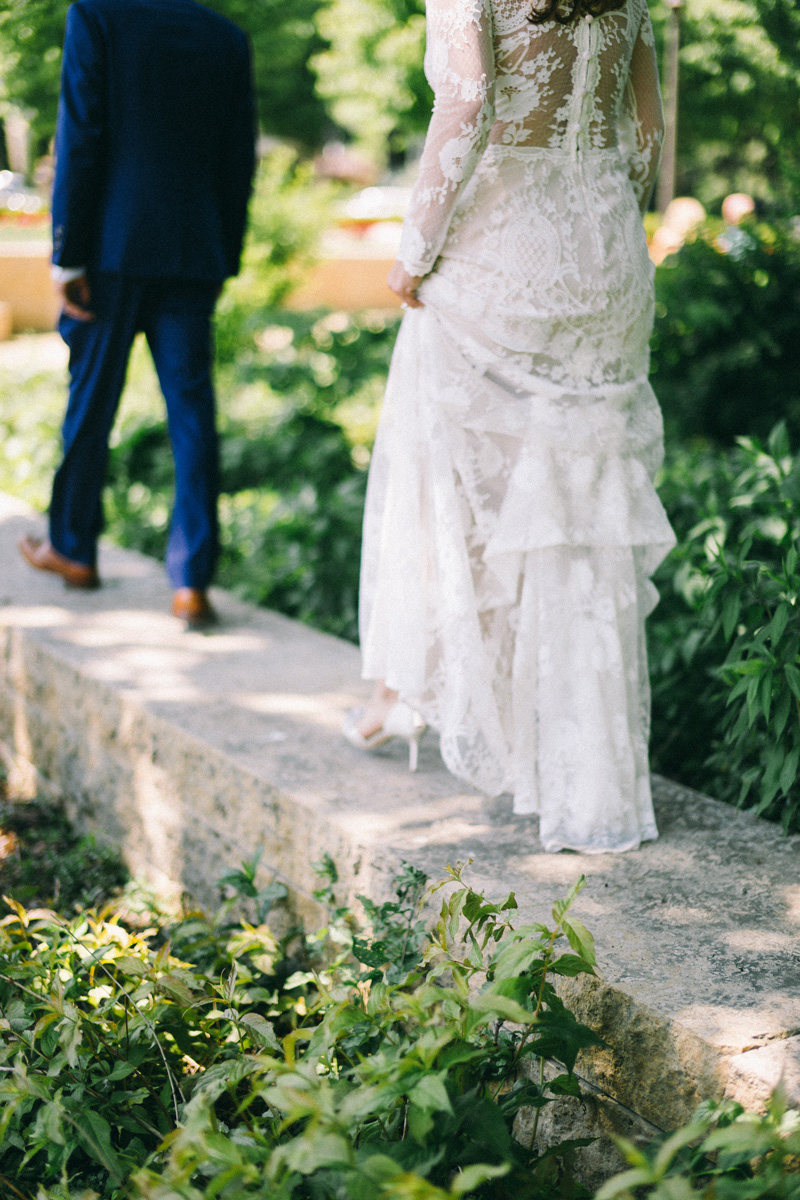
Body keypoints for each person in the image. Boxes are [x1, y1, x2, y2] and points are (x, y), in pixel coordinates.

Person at [343, 0, 676, 853]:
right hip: (606, 259)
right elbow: (645, 130)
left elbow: (466, 104)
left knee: (455, 481)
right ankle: (586, 776)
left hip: (504, 250)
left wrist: (414, 252)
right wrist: (593, 208)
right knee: (580, 514)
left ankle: (413, 687)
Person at [18, 0, 256, 630]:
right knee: (192, 413)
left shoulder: (96, 16)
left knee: (92, 402)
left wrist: (67, 253)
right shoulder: (224, 37)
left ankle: (73, 549)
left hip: (109, 251)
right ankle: (192, 585)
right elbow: (239, 159)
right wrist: (222, 253)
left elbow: (82, 130)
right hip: (193, 250)